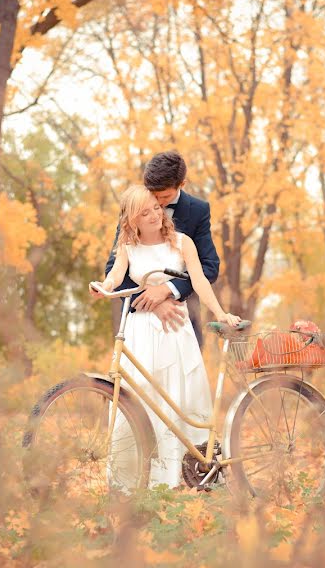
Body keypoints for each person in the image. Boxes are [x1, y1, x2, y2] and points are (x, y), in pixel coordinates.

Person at [93, 185, 240, 488]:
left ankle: (187, 475)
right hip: (140, 331)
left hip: (175, 329)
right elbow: (115, 276)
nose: (154, 215)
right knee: (140, 394)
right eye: (145, 212)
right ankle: (133, 480)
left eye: (156, 208)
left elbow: (199, 281)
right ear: (132, 219)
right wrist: (103, 288)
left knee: (177, 395)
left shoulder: (181, 242)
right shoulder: (127, 247)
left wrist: (220, 313)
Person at [105, 151, 220, 347]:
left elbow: (209, 267)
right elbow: (114, 270)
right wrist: (151, 304)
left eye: (163, 197)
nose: (156, 202)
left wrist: (168, 289)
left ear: (181, 184)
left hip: (181, 315)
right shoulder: (135, 205)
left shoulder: (198, 211)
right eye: (153, 194)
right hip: (138, 320)